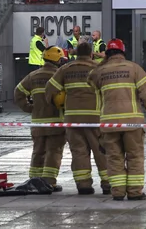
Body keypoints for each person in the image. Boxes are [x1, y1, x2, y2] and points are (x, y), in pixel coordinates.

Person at [87, 39, 146, 201]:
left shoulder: (100, 72)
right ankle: (134, 192)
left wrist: (103, 63)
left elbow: (90, 79)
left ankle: (118, 192)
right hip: (132, 122)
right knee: (134, 156)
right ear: (123, 52)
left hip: (109, 123)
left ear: (107, 54)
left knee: (114, 157)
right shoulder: (134, 69)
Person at [45, 42, 110, 195]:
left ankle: (84, 185)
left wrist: (54, 104)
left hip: (72, 118)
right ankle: (108, 183)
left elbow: (50, 88)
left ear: (76, 54)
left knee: (79, 152)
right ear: (91, 54)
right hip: (95, 118)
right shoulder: (98, 68)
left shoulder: (65, 69)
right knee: (101, 152)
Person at [14, 46, 66, 192]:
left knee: (38, 151)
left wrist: (29, 107)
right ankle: (49, 182)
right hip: (56, 122)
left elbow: (18, 93)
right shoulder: (59, 75)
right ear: (57, 60)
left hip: (38, 122)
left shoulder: (33, 75)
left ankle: (34, 181)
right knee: (53, 152)